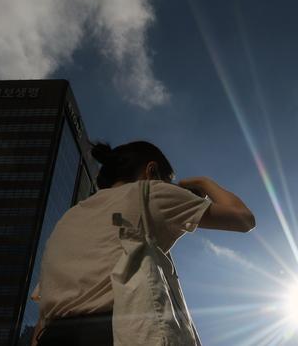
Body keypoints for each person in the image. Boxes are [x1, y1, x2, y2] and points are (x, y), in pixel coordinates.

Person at [31, 141, 255, 345]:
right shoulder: (150, 191)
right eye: (167, 180)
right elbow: (243, 218)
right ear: (151, 170)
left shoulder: (69, 218)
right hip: (116, 332)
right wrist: (202, 183)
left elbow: (43, 312)